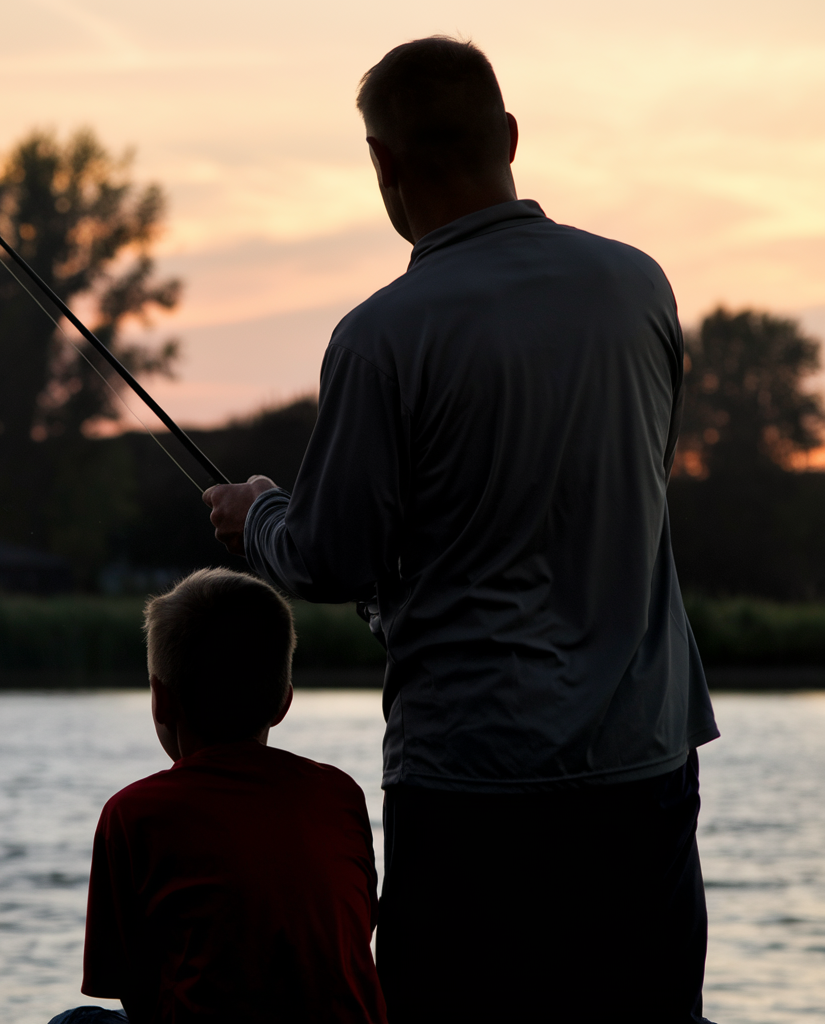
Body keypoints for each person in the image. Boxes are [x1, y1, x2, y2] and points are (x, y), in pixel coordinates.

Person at [203, 36, 720, 1024]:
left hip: (470, 780)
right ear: (509, 136)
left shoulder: (381, 335)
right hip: (644, 759)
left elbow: (330, 555)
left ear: (383, 165)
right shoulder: (638, 287)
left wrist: (255, 513)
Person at [61, 568, 387, 1024]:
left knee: (77, 1022)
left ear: (160, 699)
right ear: (284, 702)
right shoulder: (340, 793)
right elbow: (353, 932)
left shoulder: (133, 814)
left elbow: (133, 991)